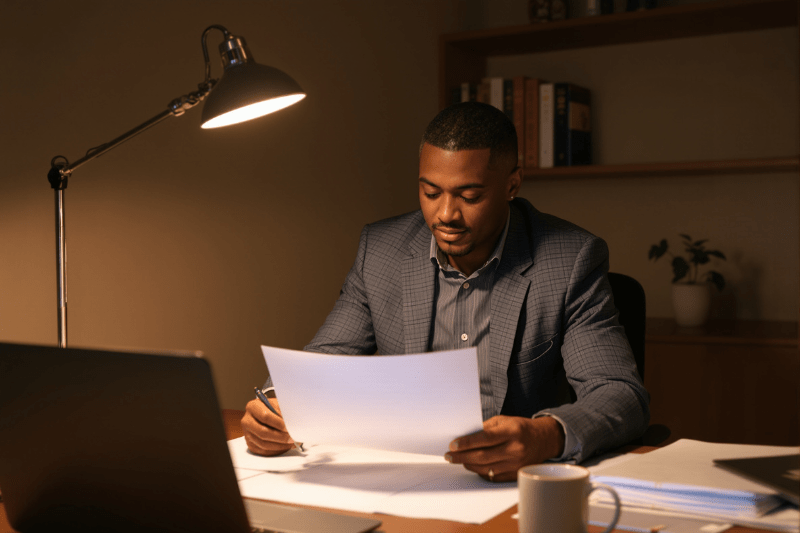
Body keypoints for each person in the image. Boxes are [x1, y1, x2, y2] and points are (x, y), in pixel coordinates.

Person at [242, 102, 650, 481]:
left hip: (512, 486)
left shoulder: (570, 259)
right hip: (405, 477)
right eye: (430, 192)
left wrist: (545, 437)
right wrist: (277, 408)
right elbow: (325, 359)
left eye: (469, 196)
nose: (445, 215)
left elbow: (620, 394)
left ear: (512, 185)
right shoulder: (382, 250)